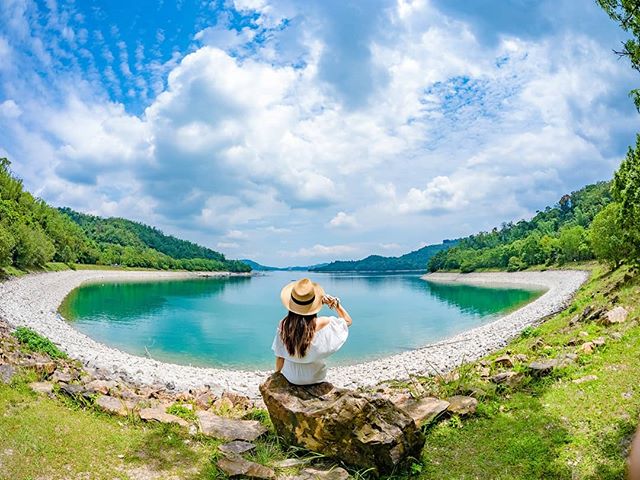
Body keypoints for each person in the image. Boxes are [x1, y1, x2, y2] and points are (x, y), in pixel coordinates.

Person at [272, 277, 353, 385]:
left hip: (291, 377)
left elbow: (280, 356)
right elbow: (348, 321)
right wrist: (336, 305)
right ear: (314, 305)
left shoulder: (284, 324)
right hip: (315, 377)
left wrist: (276, 374)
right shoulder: (322, 322)